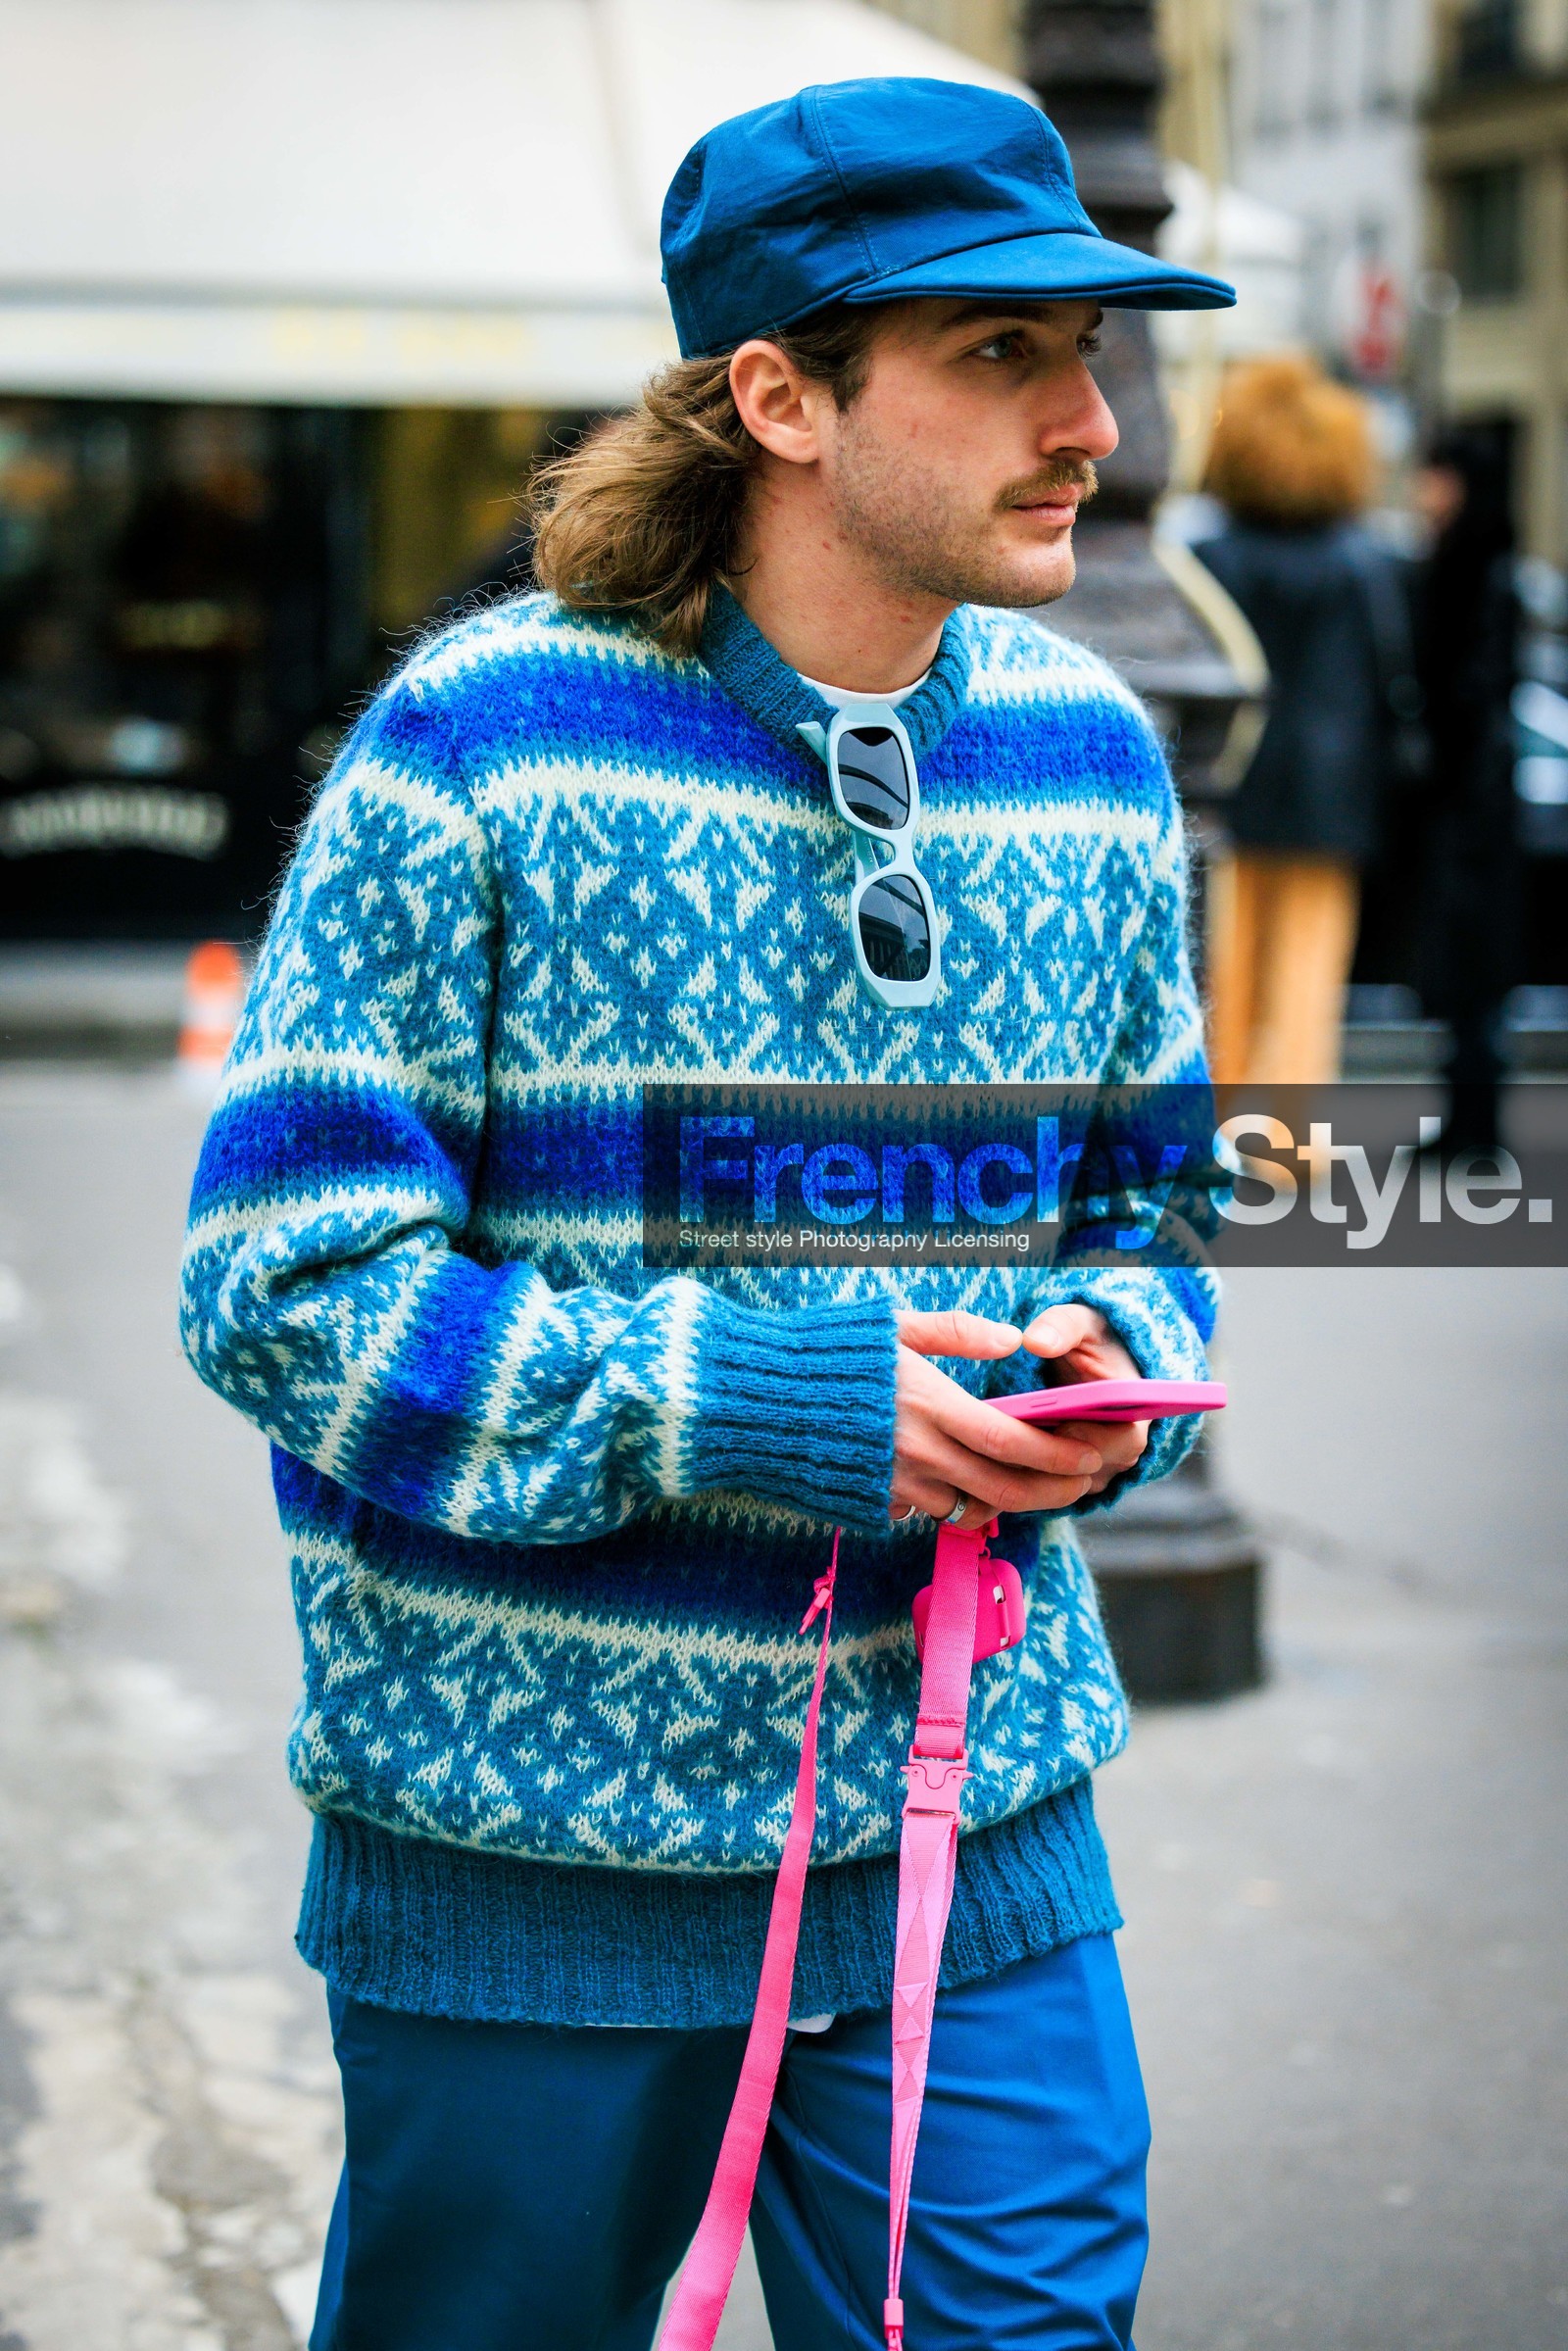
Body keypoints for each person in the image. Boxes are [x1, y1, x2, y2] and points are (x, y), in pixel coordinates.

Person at [179, 77, 1232, 2351]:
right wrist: (749, 1397)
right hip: (526, 1842)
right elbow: (279, 1283)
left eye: (1089, 351)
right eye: (1000, 356)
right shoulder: (471, 747)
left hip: (977, 1808)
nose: (1090, 420)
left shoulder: (1091, 752)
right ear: (777, 394)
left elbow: (1147, 1193)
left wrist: (1104, 1372)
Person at [1194, 353, 1420, 1083]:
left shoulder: (1211, 555)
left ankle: (1214, 1125)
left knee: (1218, 964)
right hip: (1332, 788)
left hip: (1232, 777)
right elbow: (1391, 673)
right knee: (1308, 969)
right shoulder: (1364, 559)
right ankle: (1289, 1138)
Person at [1409, 425, 1523, 1151]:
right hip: (1471, 794)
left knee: (1474, 968)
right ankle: (1468, 1121)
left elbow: (1474, 687)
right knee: (1466, 973)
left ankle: (1475, 1125)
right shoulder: (1464, 562)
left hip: (1473, 800)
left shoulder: (1478, 570)